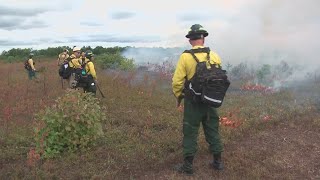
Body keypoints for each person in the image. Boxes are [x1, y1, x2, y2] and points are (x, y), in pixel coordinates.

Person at [172, 24, 224, 175]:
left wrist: (179, 96)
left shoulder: (185, 57)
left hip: (193, 103)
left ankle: (188, 167)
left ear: (190, 41)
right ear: (203, 38)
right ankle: (218, 162)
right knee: (213, 129)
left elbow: (177, 82)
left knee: (190, 132)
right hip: (211, 101)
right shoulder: (214, 55)